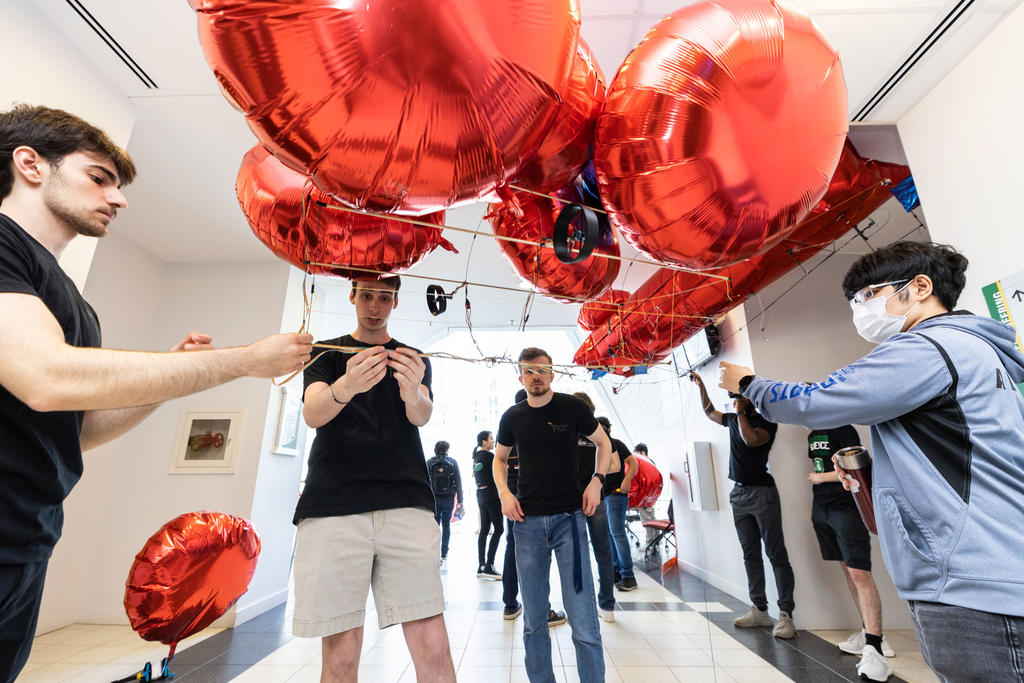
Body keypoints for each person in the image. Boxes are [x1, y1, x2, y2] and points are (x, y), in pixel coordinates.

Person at [0, 104, 313, 682]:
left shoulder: (72, 301)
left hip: (26, 537)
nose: (118, 199)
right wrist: (242, 362)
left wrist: (168, 379)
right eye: (99, 178)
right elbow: (45, 378)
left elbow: (80, 428)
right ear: (31, 165)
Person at [719, 241, 1024, 683]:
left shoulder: (925, 349)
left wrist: (750, 384)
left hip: (973, 585)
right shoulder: (976, 351)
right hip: (991, 571)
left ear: (920, 287)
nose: (860, 309)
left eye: (868, 295)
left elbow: (815, 401)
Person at [297, 275, 455, 682]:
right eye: (366, 295)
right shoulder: (326, 353)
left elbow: (421, 415)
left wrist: (412, 392)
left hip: (406, 503)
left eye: (384, 297)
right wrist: (346, 386)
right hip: (334, 506)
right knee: (342, 653)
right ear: (352, 296)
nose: (374, 306)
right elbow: (313, 413)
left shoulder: (413, 358)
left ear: (395, 302)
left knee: (433, 645)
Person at [494, 347, 611, 683]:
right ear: (520, 377)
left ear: (552, 373)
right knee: (533, 621)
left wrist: (597, 481)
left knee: (583, 618)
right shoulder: (512, 417)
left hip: (569, 521)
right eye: (529, 372)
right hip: (527, 524)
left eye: (542, 370)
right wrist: (504, 493)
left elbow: (603, 443)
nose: (536, 377)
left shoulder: (571, 408)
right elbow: (498, 460)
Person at [690, 372, 796, 639]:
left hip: (762, 494)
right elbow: (709, 412)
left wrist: (739, 414)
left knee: (776, 554)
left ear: (750, 398)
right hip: (739, 495)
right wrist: (701, 386)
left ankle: (785, 615)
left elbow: (750, 440)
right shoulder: (732, 419)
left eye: (739, 396)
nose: (735, 401)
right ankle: (759, 609)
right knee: (750, 555)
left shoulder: (766, 421)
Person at [805, 424, 896, 675]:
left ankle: (876, 643)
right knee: (848, 571)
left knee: (859, 573)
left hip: (846, 509)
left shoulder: (843, 429)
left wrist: (821, 477)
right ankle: (867, 631)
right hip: (823, 508)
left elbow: (856, 468)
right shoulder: (813, 433)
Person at [502, 389, 567, 628]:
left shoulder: (508, 425)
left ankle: (510, 603)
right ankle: (544, 611)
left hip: (512, 497)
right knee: (539, 555)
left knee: (513, 549)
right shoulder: (536, 427)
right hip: (533, 499)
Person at [572, 392, 622, 622]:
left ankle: (581, 607)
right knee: (603, 551)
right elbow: (614, 467)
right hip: (598, 498)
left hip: (573, 500)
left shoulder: (568, 433)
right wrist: (596, 474)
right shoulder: (599, 434)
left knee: (577, 554)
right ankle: (608, 606)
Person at [597, 416, 638, 600]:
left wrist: (627, 479)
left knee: (617, 533)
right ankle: (616, 571)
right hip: (604, 495)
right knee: (610, 534)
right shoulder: (597, 446)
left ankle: (628, 575)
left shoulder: (616, 444)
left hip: (616, 493)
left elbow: (633, 462)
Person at [472, 430, 503, 579]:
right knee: (499, 529)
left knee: (484, 530)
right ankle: (490, 565)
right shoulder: (490, 456)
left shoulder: (476, 457)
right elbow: (501, 472)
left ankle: (481, 566)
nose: (493, 442)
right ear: (484, 442)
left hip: (481, 495)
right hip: (491, 494)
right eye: (491, 439)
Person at [426, 440, 463, 561]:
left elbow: (425, 482)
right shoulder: (452, 462)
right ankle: (444, 552)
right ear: (447, 450)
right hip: (449, 498)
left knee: (434, 526)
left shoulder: (430, 462)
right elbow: (458, 482)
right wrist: (460, 501)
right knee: (446, 524)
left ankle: (434, 551)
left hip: (433, 499)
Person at [632, 443, 658, 545]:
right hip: (651, 497)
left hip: (645, 497)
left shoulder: (643, 464)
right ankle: (656, 540)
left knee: (647, 521)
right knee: (652, 519)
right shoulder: (651, 463)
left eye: (640, 452)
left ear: (644, 452)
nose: (638, 454)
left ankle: (650, 544)